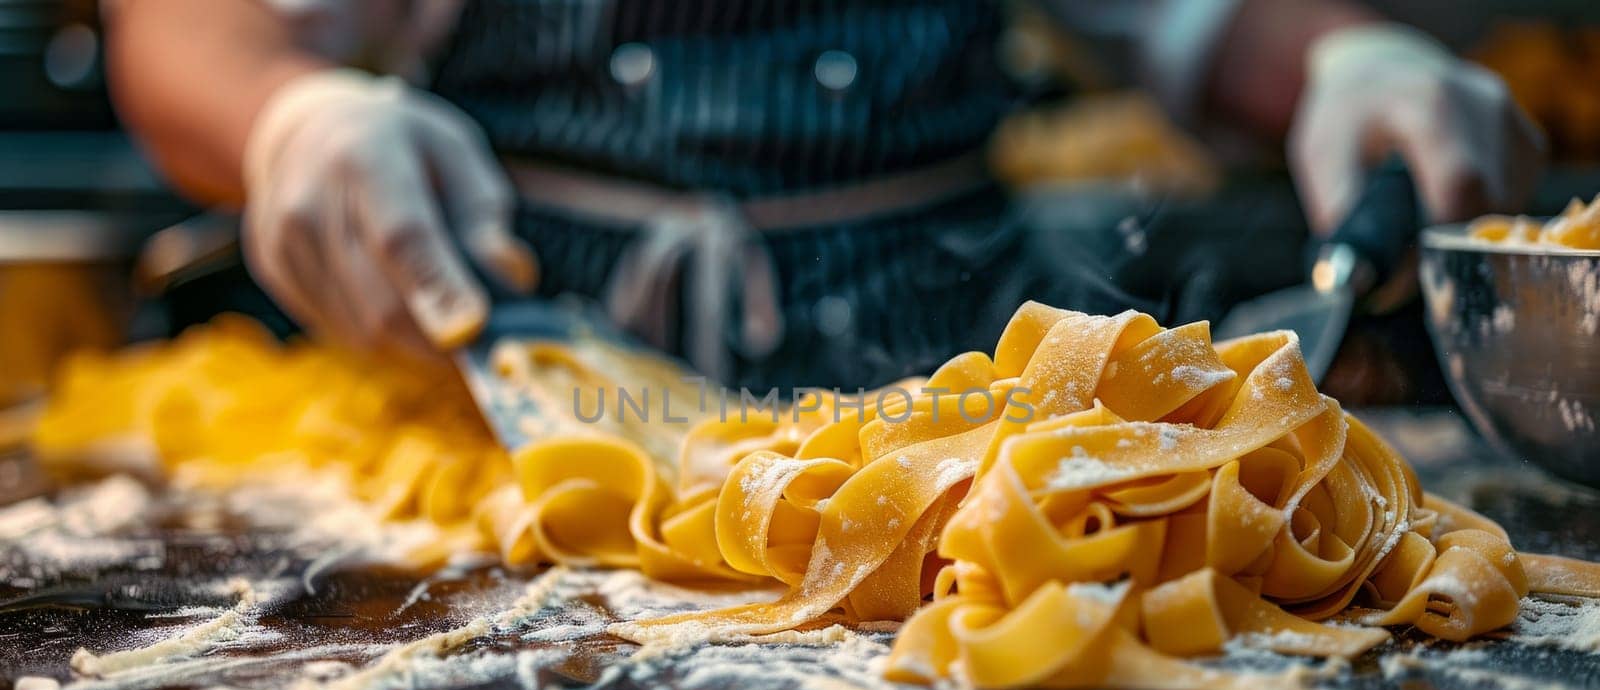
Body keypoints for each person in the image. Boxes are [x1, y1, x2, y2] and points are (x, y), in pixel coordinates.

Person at [106, 0, 1543, 389]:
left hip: (952, 377)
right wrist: (286, 113)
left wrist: (1354, 62)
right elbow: (184, 30)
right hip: (532, 378)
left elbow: (1207, 19)